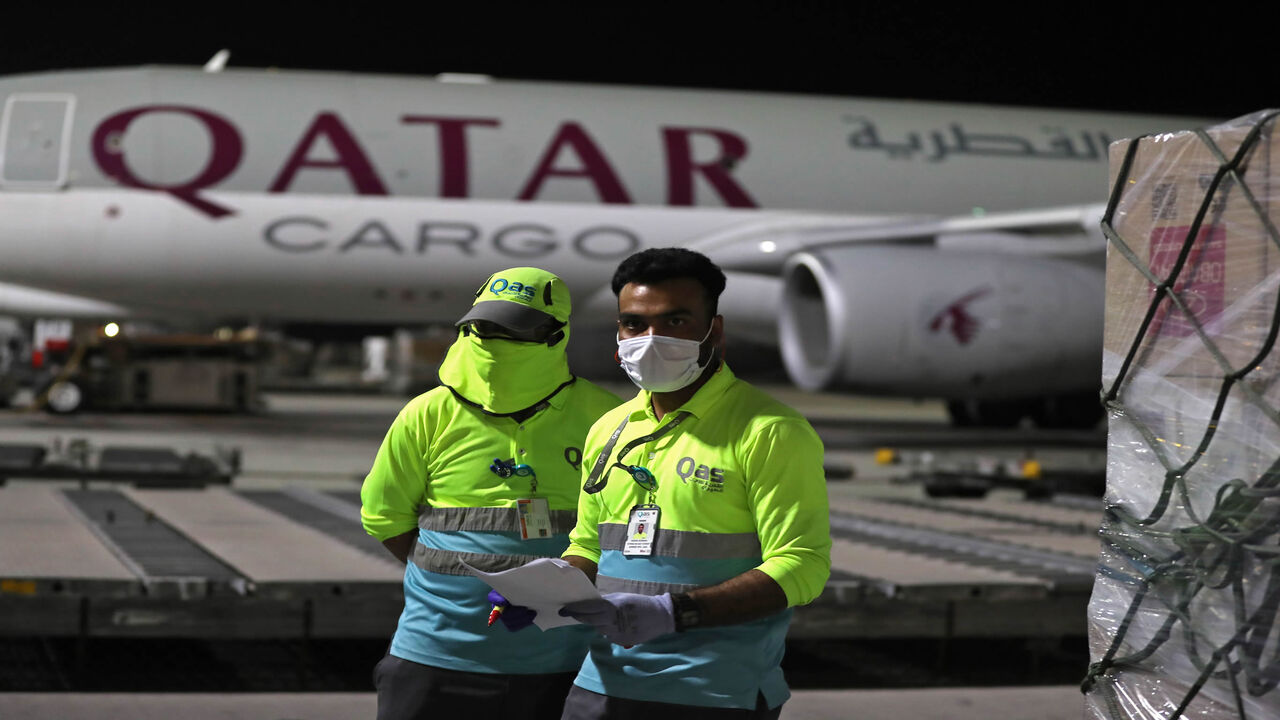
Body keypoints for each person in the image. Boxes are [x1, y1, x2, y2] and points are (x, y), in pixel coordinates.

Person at [557, 248, 832, 719]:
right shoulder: (610, 428)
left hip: (712, 690)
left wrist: (674, 612)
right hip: (602, 684)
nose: (650, 339)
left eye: (675, 322)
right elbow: (588, 544)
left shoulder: (768, 430)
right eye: (634, 324)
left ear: (715, 331)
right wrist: (550, 588)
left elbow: (803, 565)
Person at [360, 267, 622, 720]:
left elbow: (617, 531)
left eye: (513, 330)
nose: (492, 338)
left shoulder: (607, 419)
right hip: (432, 656)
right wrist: (451, 593)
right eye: (482, 327)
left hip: (562, 663)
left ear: (555, 337)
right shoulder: (427, 414)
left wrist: (552, 593)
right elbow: (384, 517)